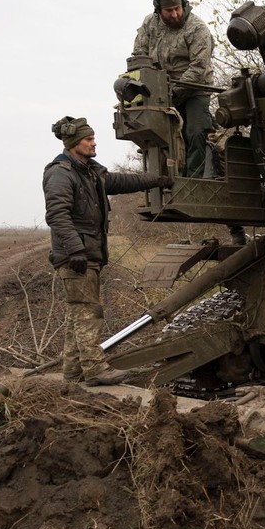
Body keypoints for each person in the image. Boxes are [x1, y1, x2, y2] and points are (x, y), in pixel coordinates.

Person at [43, 116, 172, 386]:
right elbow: (57, 215)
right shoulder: (60, 173)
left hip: (88, 253)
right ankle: (95, 370)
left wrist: (156, 180)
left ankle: (74, 370)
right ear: (73, 143)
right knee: (89, 312)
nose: (93, 142)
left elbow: (122, 181)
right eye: (88, 139)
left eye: (92, 138)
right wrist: (75, 249)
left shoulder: (90, 172)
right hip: (76, 256)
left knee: (78, 313)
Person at [131, 0, 216, 180]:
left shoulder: (197, 28)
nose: (175, 14)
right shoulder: (149, 24)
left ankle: (193, 182)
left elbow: (198, 68)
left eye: (178, 9)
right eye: (169, 11)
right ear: (159, 10)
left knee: (195, 131)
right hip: (161, 89)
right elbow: (139, 56)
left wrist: (175, 92)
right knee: (158, 135)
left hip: (196, 88)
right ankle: (166, 178)